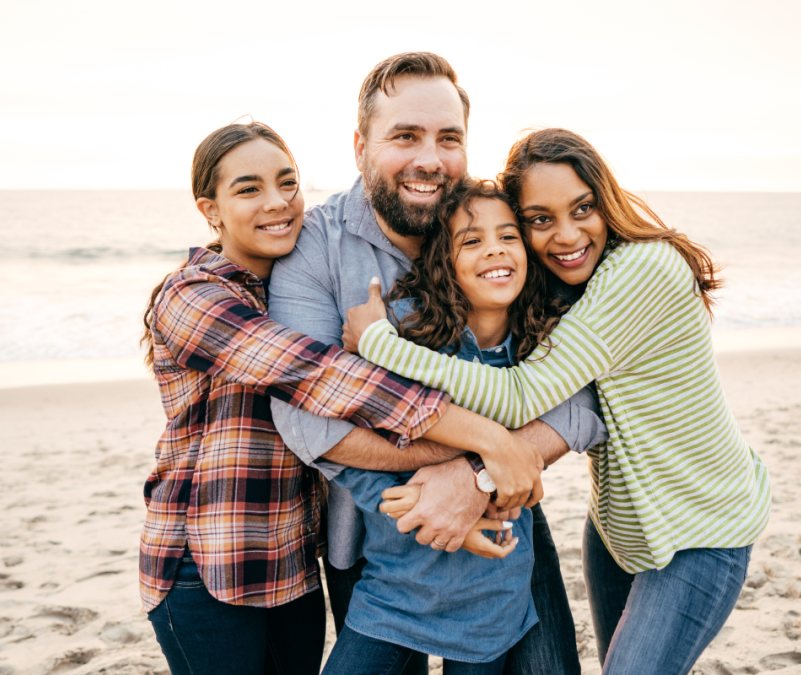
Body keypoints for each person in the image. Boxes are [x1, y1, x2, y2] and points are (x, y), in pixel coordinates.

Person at [344, 128, 772, 675]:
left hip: (702, 527)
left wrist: (381, 343)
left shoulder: (643, 270)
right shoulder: (571, 284)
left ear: (606, 202)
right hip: (620, 529)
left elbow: (521, 395)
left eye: (583, 208)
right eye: (541, 220)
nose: (567, 235)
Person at [139, 121, 544, 675]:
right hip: (208, 562)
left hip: (293, 560)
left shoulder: (287, 279)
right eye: (249, 189)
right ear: (210, 209)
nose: (278, 202)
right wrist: (488, 444)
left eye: (287, 182)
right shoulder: (193, 297)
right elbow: (320, 376)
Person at [268, 53, 606, 675]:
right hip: (375, 545)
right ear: (360, 144)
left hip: (504, 523)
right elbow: (309, 419)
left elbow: (583, 395)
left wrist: (476, 477)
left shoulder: (501, 235)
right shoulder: (313, 248)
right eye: (405, 136)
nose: (430, 158)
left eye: (448, 138)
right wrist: (479, 454)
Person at [322, 179, 566, 675]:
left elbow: (534, 465)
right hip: (395, 588)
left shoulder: (544, 351)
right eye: (471, 240)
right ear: (443, 262)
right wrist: (410, 510)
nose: (494, 248)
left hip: (491, 593)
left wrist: (487, 491)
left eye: (508, 236)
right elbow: (352, 448)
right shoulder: (409, 335)